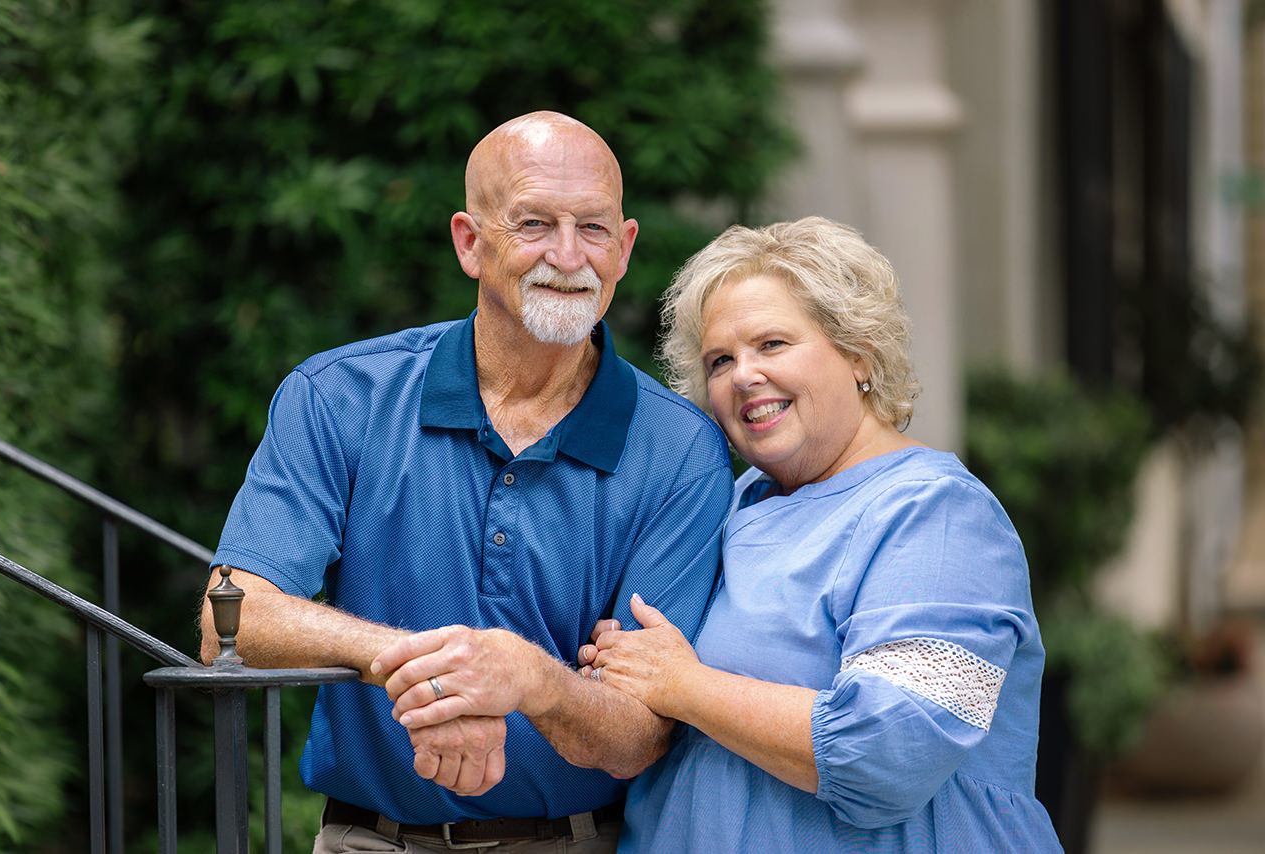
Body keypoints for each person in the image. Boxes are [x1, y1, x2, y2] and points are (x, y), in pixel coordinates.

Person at [199, 111, 732, 853]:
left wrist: (527, 681)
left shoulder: (680, 449)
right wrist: (445, 676)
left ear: (626, 248)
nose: (568, 255)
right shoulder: (340, 396)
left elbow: (641, 735)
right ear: (470, 242)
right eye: (535, 223)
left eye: (594, 228)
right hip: (366, 842)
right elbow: (231, 621)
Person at [577, 217, 1064, 853]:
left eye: (773, 344)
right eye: (720, 360)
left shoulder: (944, 517)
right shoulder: (732, 504)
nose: (744, 375)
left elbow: (889, 755)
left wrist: (683, 686)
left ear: (858, 351)